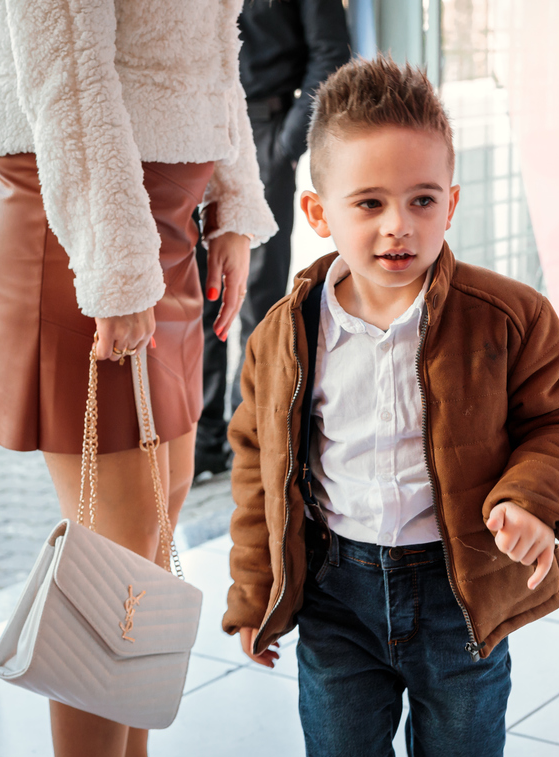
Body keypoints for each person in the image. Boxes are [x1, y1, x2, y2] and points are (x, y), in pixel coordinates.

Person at [221, 57, 559, 757]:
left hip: (457, 596)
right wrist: (255, 589)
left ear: (451, 202)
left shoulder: (508, 317)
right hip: (336, 596)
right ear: (318, 214)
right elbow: (254, 460)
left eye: (421, 200)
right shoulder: (282, 336)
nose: (399, 225)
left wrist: (530, 499)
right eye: (368, 203)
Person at [0, 2, 276, 757]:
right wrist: (119, 269)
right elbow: (68, 72)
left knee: (151, 537)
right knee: (115, 560)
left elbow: (210, 47)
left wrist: (231, 197)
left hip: (157, 226)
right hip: (83, 225)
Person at [194, 0, 352, 479]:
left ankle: (250, 441)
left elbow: (331, 58)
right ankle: (203, 445)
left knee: (256, 302)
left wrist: (283, 145)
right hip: (193, 130)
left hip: (262, 132)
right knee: (199, 296)